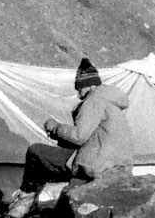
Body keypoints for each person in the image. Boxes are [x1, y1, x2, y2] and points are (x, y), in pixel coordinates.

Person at [21, 57, 131, 194]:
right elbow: (93, 137)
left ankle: (26, 197)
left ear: (90, 85)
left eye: (80, 89)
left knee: (36, 151)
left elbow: (80, 136)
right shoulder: (111, 102)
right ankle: (49, 198)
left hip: (96, 164)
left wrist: (55, 128)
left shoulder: (93, 101)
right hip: (115, 163)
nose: (79, 95)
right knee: (56, 159)